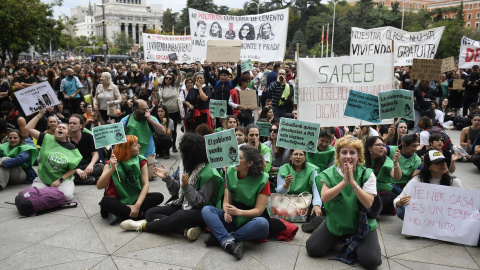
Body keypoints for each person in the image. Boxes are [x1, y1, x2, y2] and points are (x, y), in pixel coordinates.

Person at [120, 132, 223, 239]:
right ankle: (184, 229)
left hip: (201, 212)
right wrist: (167, 178)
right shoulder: (187, 165)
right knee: (150, 213)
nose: (182, 156)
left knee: (179, 216)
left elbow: (201, 203)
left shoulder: (209, 173)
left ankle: (143, 226)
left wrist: (187, 187)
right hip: (183, 204)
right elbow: (178, 191)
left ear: (192, 155)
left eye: (184, 153)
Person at [306, 137, 382, 269]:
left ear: (358, 156)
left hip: (362, 226)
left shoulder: (367, 174)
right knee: (313, 249)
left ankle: (353, 241)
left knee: (371, 262)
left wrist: (353, 183)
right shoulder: (328, 174)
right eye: (344, 152)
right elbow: (324, 198)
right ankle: (340, 238)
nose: (348, 156)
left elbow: (369, 203)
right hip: (337, 223)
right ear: (338, 155)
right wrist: (344, 182)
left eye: (352, 153)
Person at [201, 145, 270, 260]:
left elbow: (259, 210)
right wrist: (226, 211)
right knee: (206, 210)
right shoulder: (230, 171)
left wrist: (238, 212)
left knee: (263, 224)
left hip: (251, 220)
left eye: (240, 157)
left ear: (250, 163)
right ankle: (229, 242)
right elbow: (226, 201)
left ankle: (223, 239)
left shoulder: (263, 179)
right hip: (233, 218)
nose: (234, 159)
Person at [97, 135, 164, 224]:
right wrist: (112, 168)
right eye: (136, 145)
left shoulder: (141, 160)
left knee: (159, 196)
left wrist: (137, 205)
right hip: (117, 199)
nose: (139, 146)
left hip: (135, 198)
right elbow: (99, 186)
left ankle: (121, 214)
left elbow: (145, 185)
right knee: (105, 202)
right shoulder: (111, 162)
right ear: (127, 149)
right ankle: (142, 214)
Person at [25, 107, 82, 201]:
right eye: (59, 127)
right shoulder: (46, 138)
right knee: (32, 195)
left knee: (67, 196)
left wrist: (59, 180)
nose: (60, 128)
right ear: (55, 131)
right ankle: (49, 192)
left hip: (61, 180)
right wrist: (40, 114)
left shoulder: (72, 148)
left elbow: (73, 168)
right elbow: (28, 128)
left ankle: (55, 189)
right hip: (44, 178)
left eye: (63, 128)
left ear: (68, 134)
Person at [393, 150, 463, 221]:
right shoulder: (417, 180)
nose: (443, 164)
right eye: (438, 162)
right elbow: (398, 199)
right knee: (402, 210)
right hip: (423, 215)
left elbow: (463, 203)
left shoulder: (453, 181)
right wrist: (399, 203)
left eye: (444, 161)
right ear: (428, 166)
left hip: (445, 216)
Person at [120, 100, 166, 180]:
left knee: (149, 176)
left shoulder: (151, 119)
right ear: (135, 109)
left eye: (147, 109)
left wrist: (150, 120)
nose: (146, 112)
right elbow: (118, 136)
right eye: (143, 109)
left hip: (147, 154)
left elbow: (163, 131)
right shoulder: (126, 120)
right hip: (131, 155)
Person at [364, 136, 402, 215]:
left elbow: (397, 177)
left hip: (381, 192)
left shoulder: (386, 159)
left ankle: (371, 211)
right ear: (369, 148)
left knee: (390, 197)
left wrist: (396, 163)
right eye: (378, 145)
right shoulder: (361, 159)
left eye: (383, 145)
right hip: (365, 191)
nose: (382, 147)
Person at [68, 114, 103, 185]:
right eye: (70, 123)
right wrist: (77, 170)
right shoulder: (66, 139)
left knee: (102, 167)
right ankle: (93, 179)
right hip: (73, 168)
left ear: (81, 125)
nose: (71, 125)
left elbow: (95, 154)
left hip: (87, 165)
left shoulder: (88, 137)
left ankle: (85, 178)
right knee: (67, 174)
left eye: (74, 123)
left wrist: (91, 165)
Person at [156, 62, 182, 153]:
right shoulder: (162, 88)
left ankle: (174, 145)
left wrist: (177, 67)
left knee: (173, 129)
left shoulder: (175, 86)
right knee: (165, 129)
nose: (168, 79)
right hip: (165, 112)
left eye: (170, 78)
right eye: (166, 78)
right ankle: (165, 147)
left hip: (175, 111)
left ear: (172, 79)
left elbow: (180, 76)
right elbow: (159, 98)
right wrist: (156, 90)